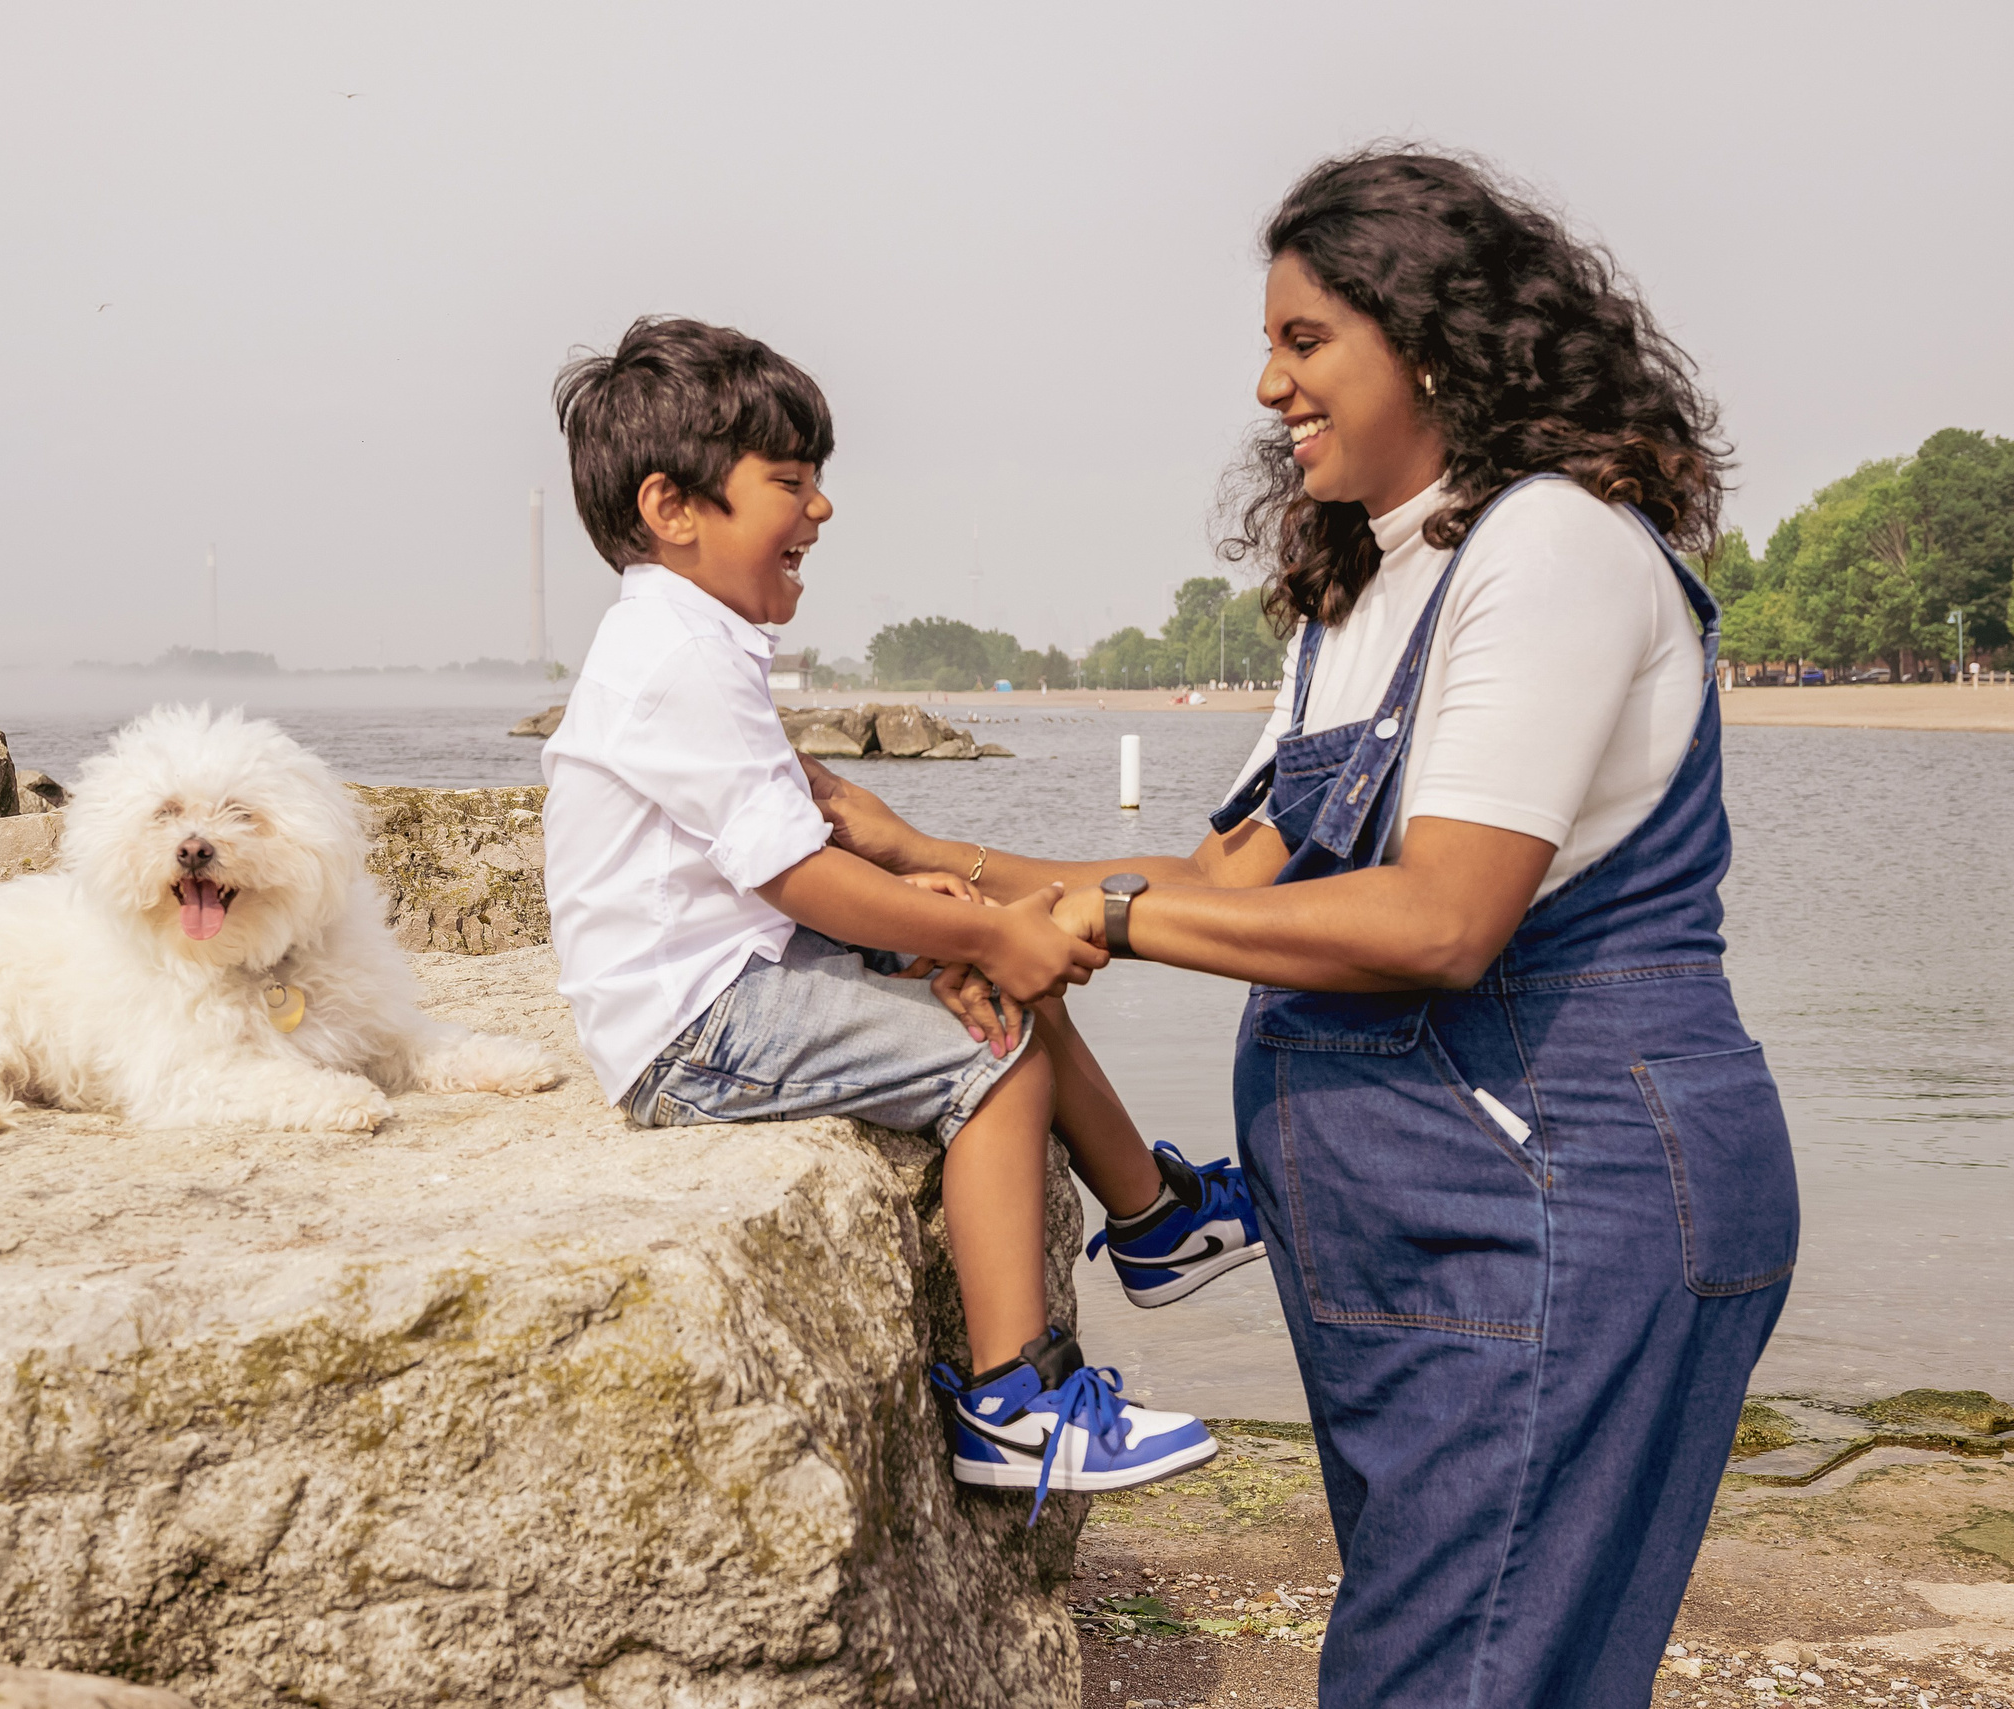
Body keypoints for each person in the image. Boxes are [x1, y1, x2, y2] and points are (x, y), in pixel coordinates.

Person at [807, 151, 1797, 1706]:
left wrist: (1101, 919)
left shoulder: (1548, 549)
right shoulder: (1364, 591)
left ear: (1433, 335)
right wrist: (932, 858)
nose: (1268, 384)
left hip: (1560, 1211)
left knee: (1449, 1678)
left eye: (1304, 339)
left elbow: (1445, 918)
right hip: (1414, 1247)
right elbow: (1234, 876)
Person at [537, 317, 1267, 1518]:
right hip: (695, 1025)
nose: (820, 510)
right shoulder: (672, 652)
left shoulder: (692, 636)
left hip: (737, 971)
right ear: (673, 507)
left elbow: (790, 836)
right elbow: (788, 875)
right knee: (996, 1049)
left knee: (985, 965)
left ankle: (1153, 1217)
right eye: (790, 482)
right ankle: (1015, 1402)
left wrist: (935, 914)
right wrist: (976, 933)